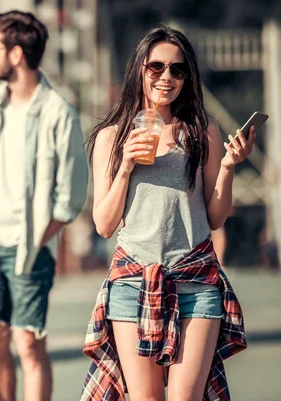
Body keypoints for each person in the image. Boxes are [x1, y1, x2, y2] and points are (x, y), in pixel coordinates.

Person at [80, 25, 249, 401]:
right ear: (139, 69)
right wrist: (125, 165)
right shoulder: (112, 137)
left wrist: (229, 165)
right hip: (132, 280)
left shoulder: (203, 131)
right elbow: (104, 224)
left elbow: (215, 217)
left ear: (187, 77)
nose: (166, 77)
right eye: (156, 67)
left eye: (177, 69)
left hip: (196, 279)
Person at [0, 11, 88, 401]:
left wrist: (36, 241)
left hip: (29, 248)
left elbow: (70, 199)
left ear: (16, 54)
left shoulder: (59, 113)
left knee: (29, 344)